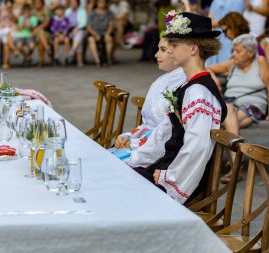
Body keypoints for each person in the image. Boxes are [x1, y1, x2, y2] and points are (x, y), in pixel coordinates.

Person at [133, 11, 227, 204]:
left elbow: (197, 147)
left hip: (182, 180)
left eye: (175, 45)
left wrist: (170, 179)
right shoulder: (187, 85)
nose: (171, 50)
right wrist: (137, 158)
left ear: (193, 49)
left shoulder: (200, 93)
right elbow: (166, 132)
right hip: (166, 167)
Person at [115, 37, 187, 168]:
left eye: (163, 50)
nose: (156, 54)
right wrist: (128, 136)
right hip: (147, 143)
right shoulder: (161, 80)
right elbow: (148, 124)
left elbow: (168, 132)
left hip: (162, 155)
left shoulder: (183, 84)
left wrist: (135, 144)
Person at [207, 34, 269, 183]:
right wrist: (214, 78)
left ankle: (233, 165)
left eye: (238, 51)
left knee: (223, 120)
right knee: (228, 112)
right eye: (233, 50)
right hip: (231, 105)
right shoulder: (232, 64)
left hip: (253, 105)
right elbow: (207, 68)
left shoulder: (259, 61)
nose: (233, 54)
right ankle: (236, 164)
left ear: (250, 53)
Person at [206, 0, 244, 65]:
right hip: (216, 36)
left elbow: (233, 20)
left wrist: (214, 24)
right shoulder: (215, 1)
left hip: (229, 36)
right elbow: (209, 20)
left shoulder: (239, 1)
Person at [87, 0, 113, 67]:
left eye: (103, 2)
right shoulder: (92, 13)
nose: (102, 4)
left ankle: (107, 58)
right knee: (91, 39)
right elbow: (89, 27)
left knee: (109, 39)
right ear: (97, 3)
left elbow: (111, 26)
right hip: (94, 32)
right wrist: (95, 34)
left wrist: (107, 34)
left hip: (105, 32)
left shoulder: (109, 13)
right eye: (100, 2)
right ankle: (97, 60)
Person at [65, 0, 87, 67]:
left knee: (78, 36)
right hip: (69, 30)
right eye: (71, 2)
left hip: (80, 29)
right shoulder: (67, 11)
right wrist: (67, 30)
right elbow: (65, 22)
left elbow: (84, 22)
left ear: (78, 3)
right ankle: (79, 61)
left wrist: (77, 28)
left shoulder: (82, 11)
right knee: (76, 40)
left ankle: (72, 52)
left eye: (74, 2)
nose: (73, 4)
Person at [33, 0, 51, 67]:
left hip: (46, 33)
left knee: (41, 34)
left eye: (39, 3)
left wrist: (38, 29)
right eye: (36, 3)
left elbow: (47, 22)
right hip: (34, 34)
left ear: (42, 3)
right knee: (40, 37)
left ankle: (41, 61)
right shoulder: (32, 12)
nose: (37, 4)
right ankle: (47, 48)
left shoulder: (46, 11)